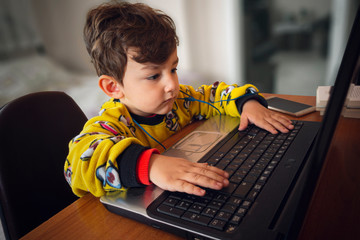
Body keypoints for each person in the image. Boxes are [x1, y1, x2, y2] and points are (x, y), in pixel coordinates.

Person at [64, 1, 294, 198]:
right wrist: (150, 165)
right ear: (113, 87)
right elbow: (77, 163)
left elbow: (214, 95)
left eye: (173, 69)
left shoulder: (181, 101)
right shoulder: (111, 123)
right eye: (154, 76)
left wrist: (247, 103)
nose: (172, 84)